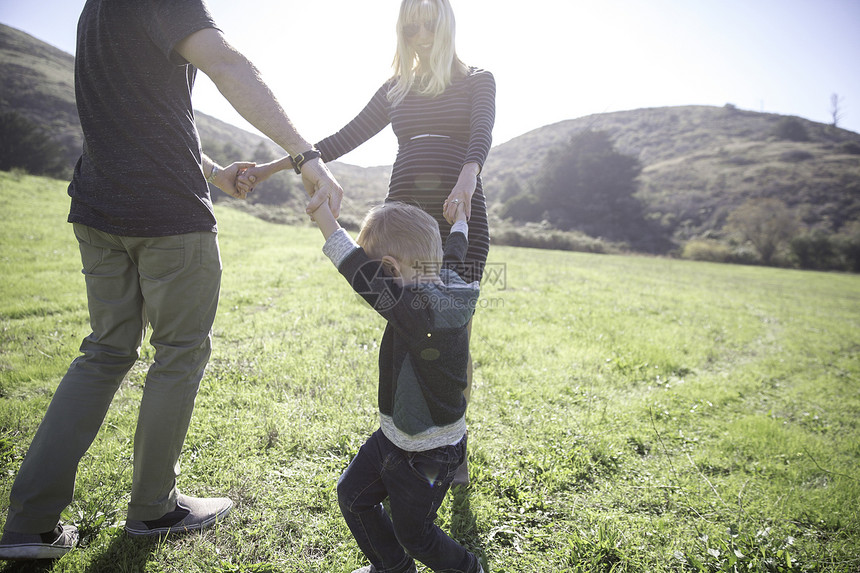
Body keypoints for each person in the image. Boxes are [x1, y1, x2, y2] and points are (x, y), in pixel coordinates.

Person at [0, 0, 342, 561]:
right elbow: (228, 64)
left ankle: (29, 523)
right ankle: (154, 508)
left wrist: (213, 172)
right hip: (167, 217)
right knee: (179, 354)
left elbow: (140, 111)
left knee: (104, 352)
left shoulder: (97, 7)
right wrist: (305, 156)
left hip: (97, 207)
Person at [238, 0, 495, 485]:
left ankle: (450, 447)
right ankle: (404, 435)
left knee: (450, 325)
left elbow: (480, 134)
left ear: (447, 24)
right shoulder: (397, 88)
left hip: (460, 207)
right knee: (399, 317)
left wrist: (467, 180)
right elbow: (344, 137)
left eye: (428, 24)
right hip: (403, 214)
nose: (419, 34)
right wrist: (274, 167)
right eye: (410, 26)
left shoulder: (479, 79)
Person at [311, 197, 483, 573]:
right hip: (393, 437)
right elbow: (455, 252)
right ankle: (394, 568)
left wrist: (321, 214)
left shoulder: (415, 309)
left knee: (415, 534)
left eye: (381, 274)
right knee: (353, 497)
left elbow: (355, 270)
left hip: (430, 453)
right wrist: (460, 223)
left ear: (389, 268)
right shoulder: (447, 277)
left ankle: (468, 569)